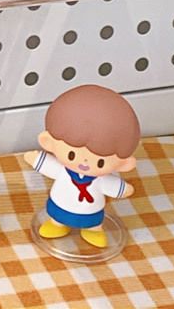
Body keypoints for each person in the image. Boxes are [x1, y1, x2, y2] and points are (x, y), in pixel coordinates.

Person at [24, 84, 140, 248]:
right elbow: (50, 166)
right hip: (60, 205)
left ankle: (93, 231)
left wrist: (122, 189)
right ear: (48, 142)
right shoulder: (63, 171)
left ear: (124, 164)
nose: (84, 164)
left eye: (100, 162)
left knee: (92, 222)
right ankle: (58, 224)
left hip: (91, 212)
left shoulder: (100, 180)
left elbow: (112, 186)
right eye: (72, 155)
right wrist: (36, 160)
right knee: (58, 215)